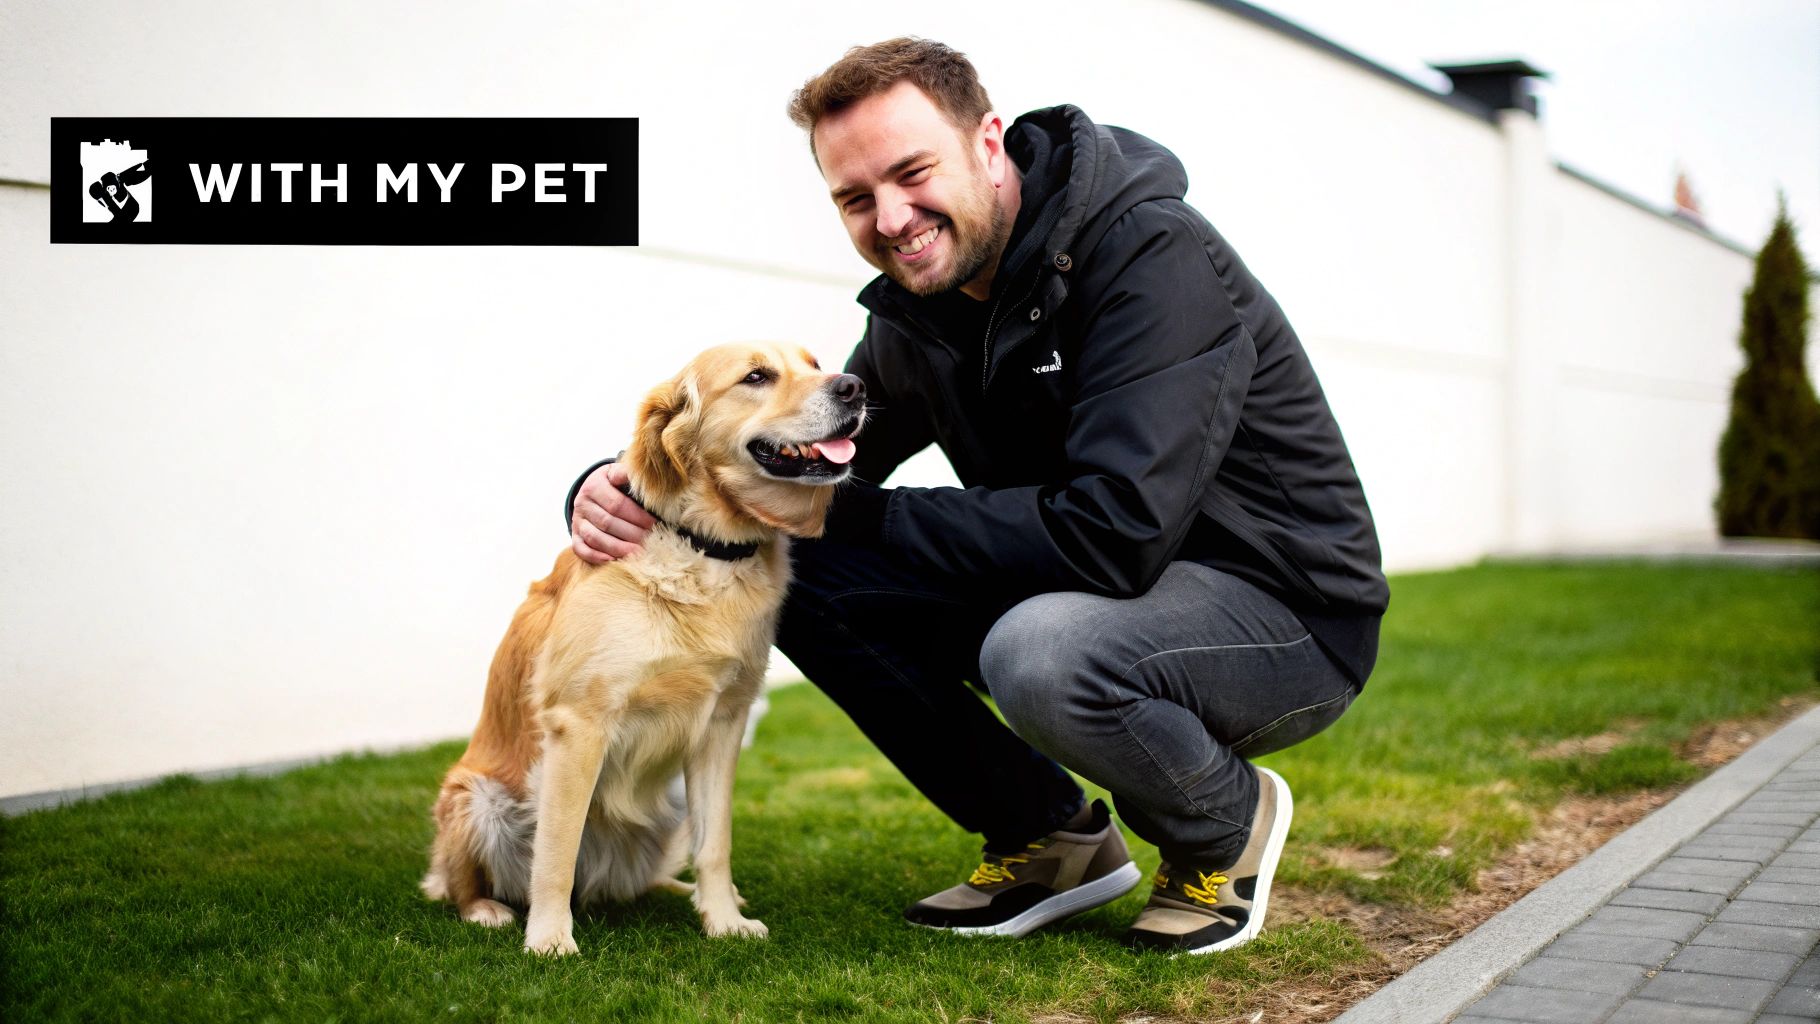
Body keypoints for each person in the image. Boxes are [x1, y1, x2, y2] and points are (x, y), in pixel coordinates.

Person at [567, 38, 1388, 954]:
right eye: (854, 198)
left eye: (912, 172)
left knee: (1040, 652)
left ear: (988, 143)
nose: (891, 218)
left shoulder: (1152, 257)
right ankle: (1050, 837)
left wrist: (850, 511)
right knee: (796, 566)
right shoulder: (931, 300)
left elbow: (1114, 533)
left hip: (1283, 614)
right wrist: (624, 482)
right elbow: (805, 460)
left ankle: (1219, 821)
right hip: (1113, 587)